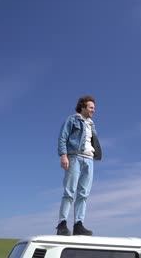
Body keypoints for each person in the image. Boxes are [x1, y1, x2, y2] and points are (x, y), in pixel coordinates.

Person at [55, 96, 102, 236]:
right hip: (74, 157)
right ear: (83, 107)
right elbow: (63, 137)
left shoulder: (92, 124)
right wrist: (63, 155)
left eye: (94, 107)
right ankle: (62, 224)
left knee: (83, 194)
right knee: (69, 191)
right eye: (91, 107)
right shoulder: (72, 119)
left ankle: (78, 224)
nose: (94, 110)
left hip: (89, 159)